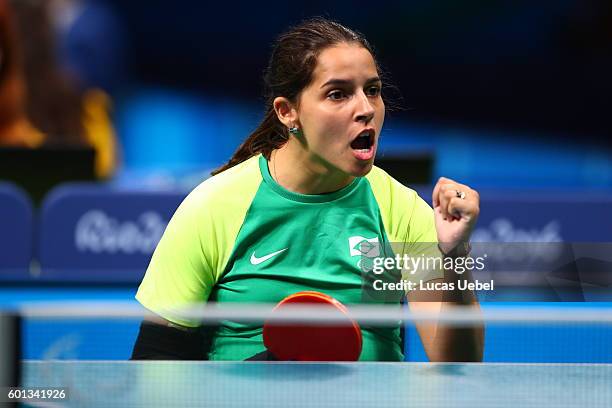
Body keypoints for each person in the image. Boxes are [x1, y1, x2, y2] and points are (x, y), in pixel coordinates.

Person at [132, 18, 483, 362]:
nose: (365, 109)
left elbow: (457, 363)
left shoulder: (400, 208)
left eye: (372, 90)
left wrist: (453, 255)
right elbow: (157, 359)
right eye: (337, 94)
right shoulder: (215, 205)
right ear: (288, 113)